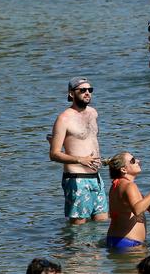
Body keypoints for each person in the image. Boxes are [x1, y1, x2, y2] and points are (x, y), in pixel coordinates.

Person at [48, 77, 109, 225]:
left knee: (102, 223)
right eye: (82, 90)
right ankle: (72, 248)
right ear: (71, 94)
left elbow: (88, 142)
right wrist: (81, 159)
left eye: (90, 90)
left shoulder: (93, 113)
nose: (87, 93)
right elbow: (54, 154)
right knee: (79, 228)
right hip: (77, 179)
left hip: (96, 177)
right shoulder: (64, 119)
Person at [105, 151, 150, 250]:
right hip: (129, 244)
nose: (138, 161)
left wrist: (144, 200)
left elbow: (123, 207)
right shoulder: (129, 185)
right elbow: (137, 210)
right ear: (123, 169)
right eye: (133, 160)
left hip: (114, 239)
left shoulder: (116, 185)